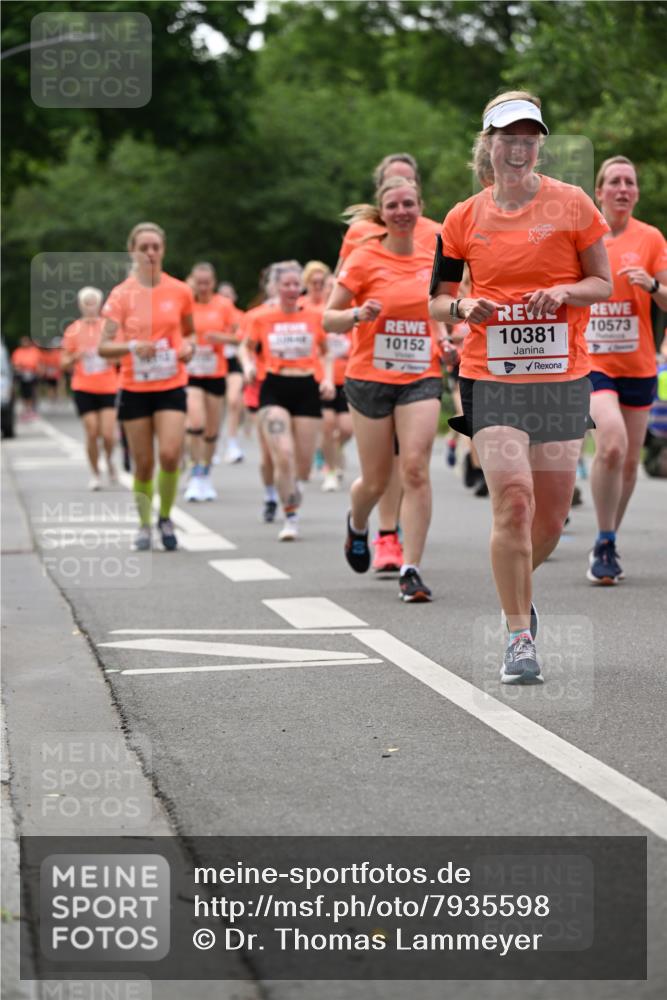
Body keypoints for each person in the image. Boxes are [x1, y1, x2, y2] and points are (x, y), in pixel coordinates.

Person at [430, 90, 612, 682]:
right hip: (492, 375)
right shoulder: (463, 217)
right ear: (489, 144)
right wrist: (464, 308)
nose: (519, 146)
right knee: (513, 499)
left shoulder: (573, 203)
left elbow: (602, 283)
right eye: (508, 136)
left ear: (540, 144)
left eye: (530, 136)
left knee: (551, 519)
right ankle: (518, 636)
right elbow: (436, 298)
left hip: (562, 377)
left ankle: (519, 588)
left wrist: (565, 293)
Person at [325, 176, 446, 602]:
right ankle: (358, 524)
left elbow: (442, 304)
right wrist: (358, 313)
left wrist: (447, 337)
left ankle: (411, 568)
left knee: (414, 467)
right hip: (369, 377)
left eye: (409, 204)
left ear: (420, 206)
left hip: (420, 374)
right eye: (393, 205)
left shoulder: (436, 251)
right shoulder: (363, 256)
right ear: (382, 212)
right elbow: (328, 318)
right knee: (375, 482)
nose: (401, 212)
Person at [585, 155, 667, 583]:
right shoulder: (585, 236)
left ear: (636, 192)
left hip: (638, 364)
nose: (622, 189)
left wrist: (652, 286)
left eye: (629, 182)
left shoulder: (651, 238)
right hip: (593, 363)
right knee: (612, 443)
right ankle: (602, 538)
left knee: (630, 462)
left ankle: (608, 537)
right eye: (614, 181)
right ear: (599, 191)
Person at [98, 222, 195, 551]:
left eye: (156, 246)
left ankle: (165, 518)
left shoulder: (180, 291)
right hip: (135, 387)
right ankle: (143, 524)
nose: (151, 253)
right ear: (133, 251)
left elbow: (189, 332)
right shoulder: (121, 295)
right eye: (144, 247)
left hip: (171, 383)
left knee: (169, 454)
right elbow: (103, 347)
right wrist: (131, 347)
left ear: (164, 249)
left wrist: (189, 348)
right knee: (143, 463)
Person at [240, 260, 334, 541]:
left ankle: (294, 490)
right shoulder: (261, 318)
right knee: (283, 454)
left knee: (303, 465)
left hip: (306, 386)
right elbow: (245, 348)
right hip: (274, 387)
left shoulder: (315, 317)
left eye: (296, 284)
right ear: (276, 288)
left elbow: (326, 351)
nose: (292, 289)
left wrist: (327, 378)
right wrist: (247, 367)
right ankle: (290, 516)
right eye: (286, 285)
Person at [184, 263, 237, 501]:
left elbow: (240, 337)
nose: (203, 287)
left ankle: (205, 473)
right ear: (193, 281)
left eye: (207, 282)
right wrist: (188, 342)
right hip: (191, 372)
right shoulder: (185, 305)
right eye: (199, 282)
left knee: (211, 430)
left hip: (215, 372)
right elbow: (173, 332)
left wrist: (220, 338)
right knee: (196, 421)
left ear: (213, 283)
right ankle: (195, 472)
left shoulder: (223, 306)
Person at [61, 287, 119, 489]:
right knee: (92, 431)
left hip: (108, 385)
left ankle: (110, 460)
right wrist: (77, 356)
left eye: (94, 302)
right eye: (87, 303)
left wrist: (108, 356)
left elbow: (120, 356)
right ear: (80, 305)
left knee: (109, 434)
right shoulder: (73, 330)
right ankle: (95, 473)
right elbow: (63, 362)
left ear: (100, 304)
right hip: (83, 386)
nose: (90, 307)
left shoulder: (108, 328)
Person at [217, 281, 246, 464]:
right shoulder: (212, 313)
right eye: (223, 295)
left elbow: (243, 339)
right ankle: (212, 443)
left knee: (234, 400)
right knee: (216, 406)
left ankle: (232, 443)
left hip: (234, 362)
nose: (226, 299)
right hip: (214, 363)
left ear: (234, 298)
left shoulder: (240, 316)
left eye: (229, 295)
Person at [11, 337, 42, 420]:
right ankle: (26, 408)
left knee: (32, 391)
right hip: (22, 375)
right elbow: (16, 364)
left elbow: (39, 362)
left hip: (33, 374)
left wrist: (39, 371)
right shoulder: (18, 352)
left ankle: (32, 409)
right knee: (24, 392)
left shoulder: (34, 351)